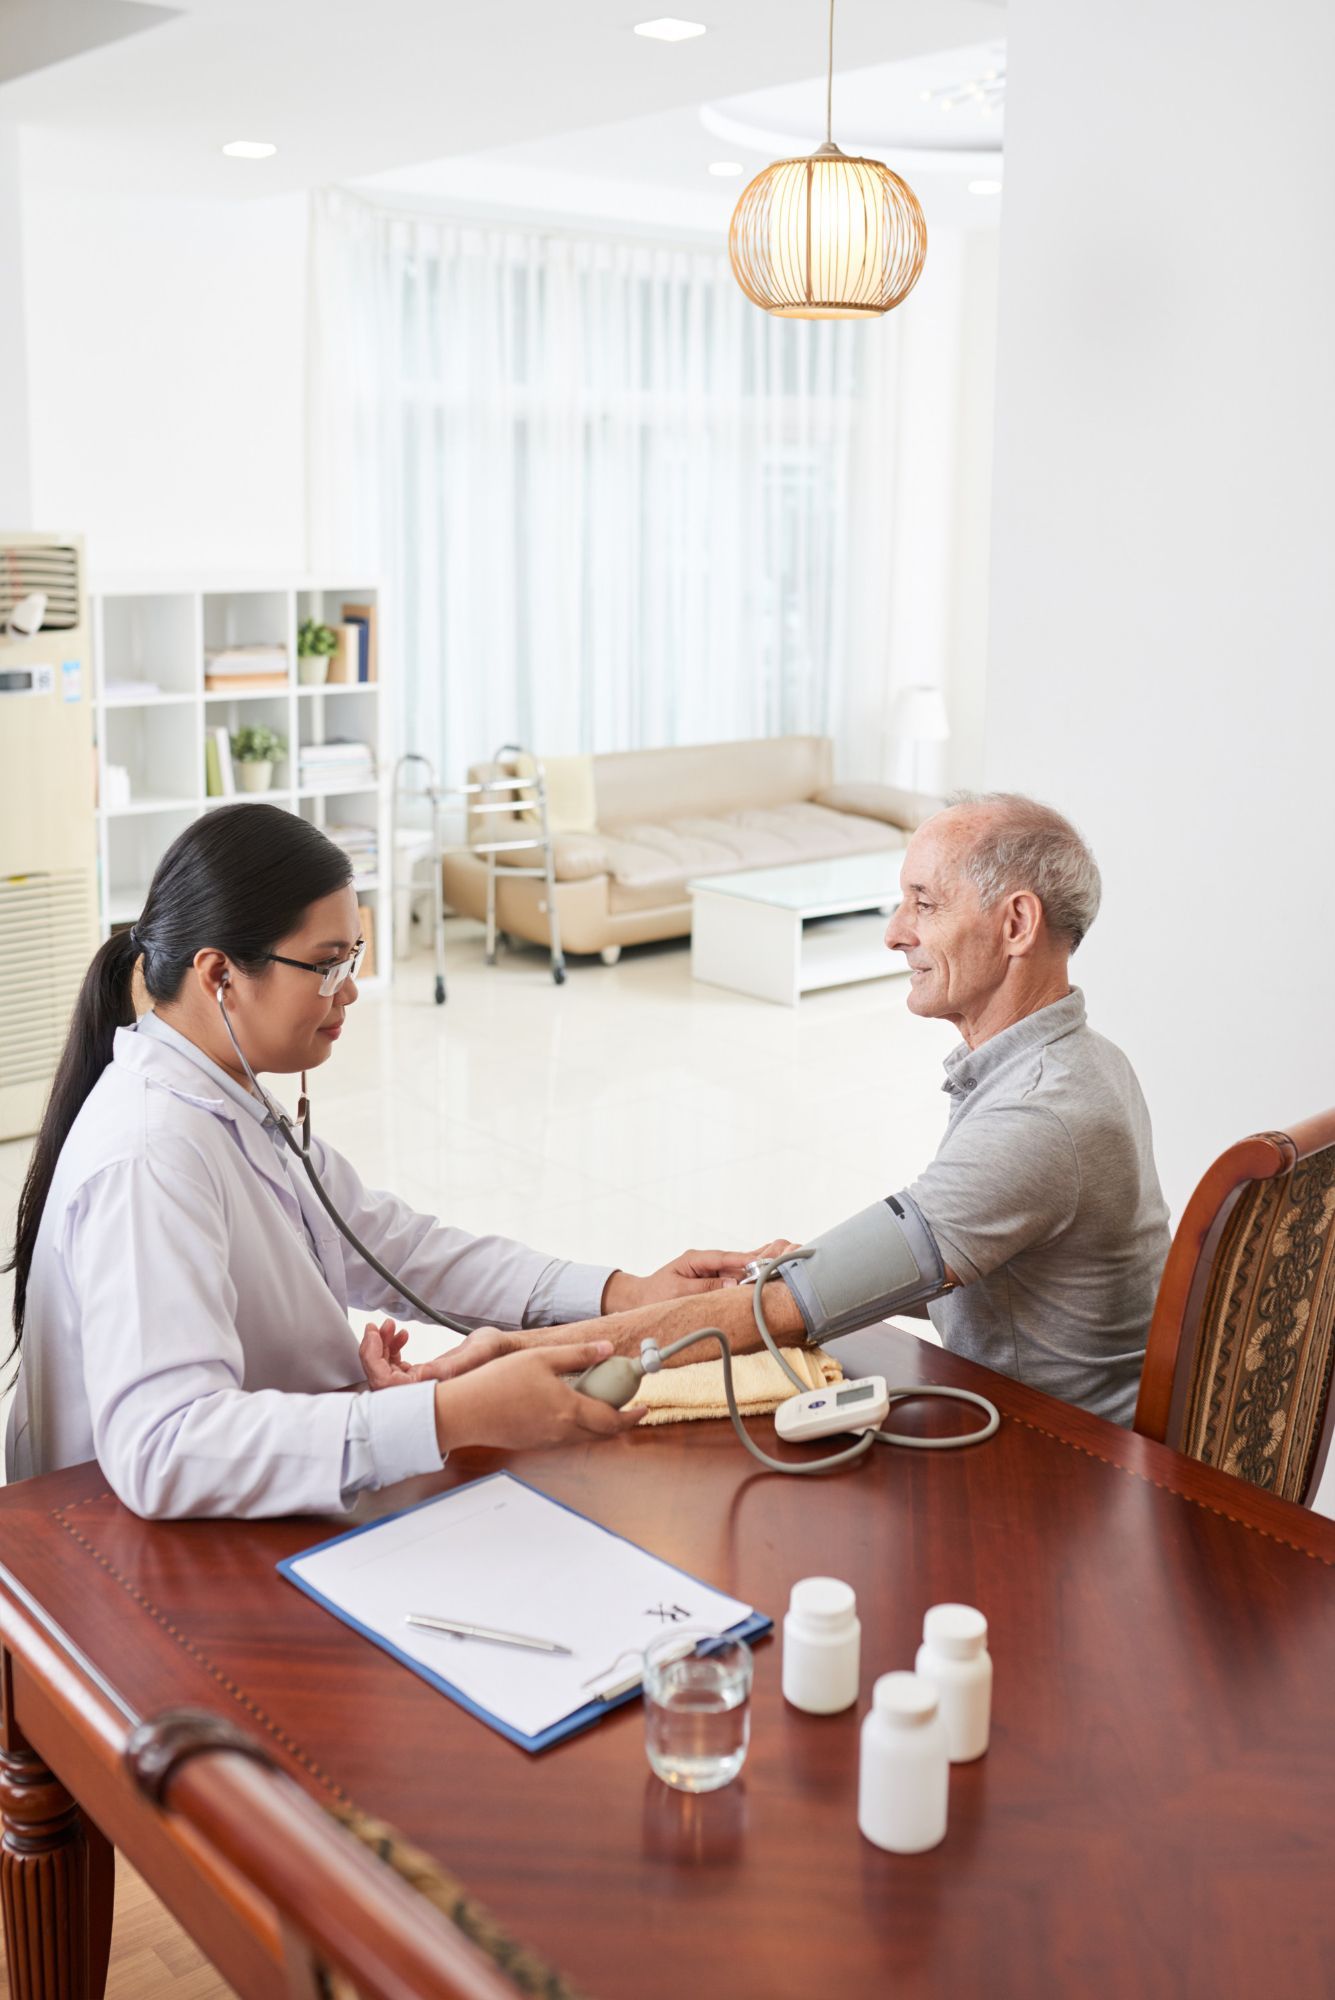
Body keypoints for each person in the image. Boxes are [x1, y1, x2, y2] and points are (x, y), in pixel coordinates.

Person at [2, 805, 763, 1519]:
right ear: (218, 976)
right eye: (327, 963)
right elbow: (165, 1448)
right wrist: (443, 1414)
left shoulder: (225, 1099)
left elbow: (396, 1247)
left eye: (353, 956)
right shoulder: (150, 1158)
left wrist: (621, 1293)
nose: (351, 990)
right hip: (126, 1554)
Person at [576, 793, 1171, 1426]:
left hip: (1063, 1456)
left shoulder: (1039, 1113)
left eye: (925, 903)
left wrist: (528, 1356)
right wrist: (840, 1270)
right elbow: (979, 1253)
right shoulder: (1086, 1059)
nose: (894, 932)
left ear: (1017, 924)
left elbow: (784, 1312)